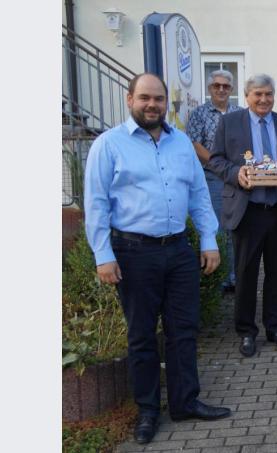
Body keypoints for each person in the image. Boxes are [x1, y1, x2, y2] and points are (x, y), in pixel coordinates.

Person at [83, 73, 232, 444]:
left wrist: (209, 240)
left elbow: (198, 193)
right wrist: (103, 254)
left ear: (167, 103)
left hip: (179, 250)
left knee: (184, 330)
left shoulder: (180, 142)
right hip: (133, 253)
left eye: (159, 99)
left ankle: (184, 402)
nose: (152, 105)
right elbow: (96, 204)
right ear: (129, 98)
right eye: (145, 98)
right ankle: (147, 411)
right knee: (142, 335)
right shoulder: (109, 145)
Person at [207, 74, 277, 357]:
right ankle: (246, 331)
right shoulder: (229, 123)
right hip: (247, 210)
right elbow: (215, 159)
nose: (263, 99)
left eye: (268, 94)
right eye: (258, 95)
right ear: (247, 95)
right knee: (245, 273)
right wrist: (235, 174)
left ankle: (275, 326)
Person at [186, 69, 242, 292]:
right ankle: (218, 280)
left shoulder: (239, 113)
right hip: (212, 178)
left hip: (237, 179)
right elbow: (194, 144)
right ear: (210, 88)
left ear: (231, 89)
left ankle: (235, 278)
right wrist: (221, 165)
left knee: (235, 228)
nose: (221, 89)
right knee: (217, 227)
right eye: (216, 86)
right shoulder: (200, 113)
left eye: (225, 86)